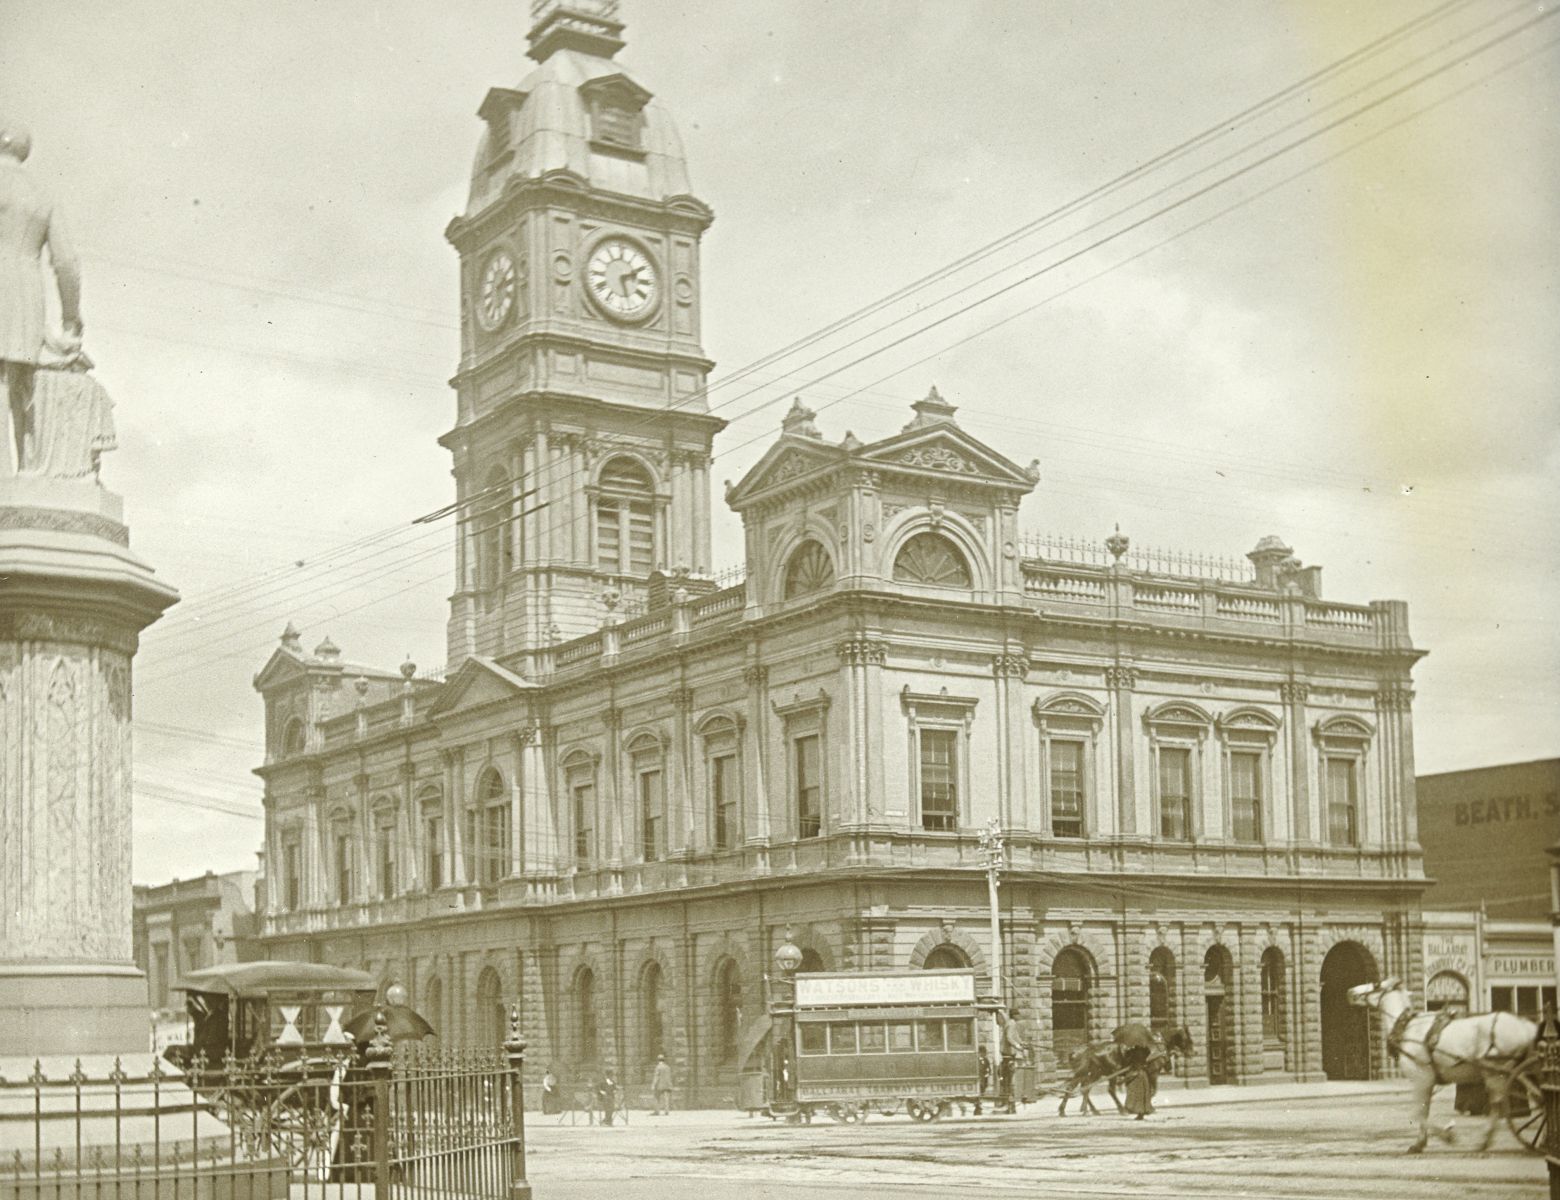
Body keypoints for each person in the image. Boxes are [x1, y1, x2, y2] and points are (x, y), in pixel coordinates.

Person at [0, 120, 83, 476]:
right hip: (25, 294)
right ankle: (24, 471)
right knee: (19, 384)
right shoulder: (43, 195)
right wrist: (70, 316)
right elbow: (67, 264)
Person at [998, 1009, 1027, 1114]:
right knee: (1010, 1080)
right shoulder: (1011, 1024)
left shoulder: (1012, 1023)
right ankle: (1010, 1103)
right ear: (1014, 1015)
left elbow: (1016, 1037)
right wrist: (1018, 1046)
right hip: (1008, 1054)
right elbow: (1009, 1037)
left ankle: (1010, 1103)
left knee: (1009, 1080)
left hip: (1009, 1054)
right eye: (1018, 1014)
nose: (1019, 1016)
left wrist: (1022, 1043)